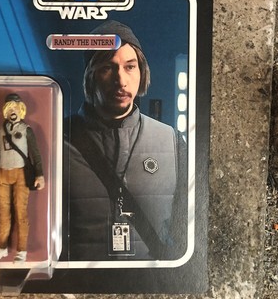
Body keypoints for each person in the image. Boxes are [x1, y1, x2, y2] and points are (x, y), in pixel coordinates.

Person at [66, 20, 187, 261]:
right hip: (78, 278)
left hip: (148, 277)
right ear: (90, 75)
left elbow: (187, 229)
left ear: (142, 72)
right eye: (107, 68)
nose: (120, 80)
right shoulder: (58, 140)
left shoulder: (172, 142)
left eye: (130, 67)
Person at [0, 93, 45, 262]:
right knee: (3, 212)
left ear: (21, 110)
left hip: (21, 174)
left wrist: (40, 175)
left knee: (20, 211)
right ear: (5, 111)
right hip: (2, 173)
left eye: (16, 108)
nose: (13, 111)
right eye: (10, 109)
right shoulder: (0, 131)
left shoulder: (26, 130)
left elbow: (36, 154)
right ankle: (1, 247)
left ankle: (22, 250)